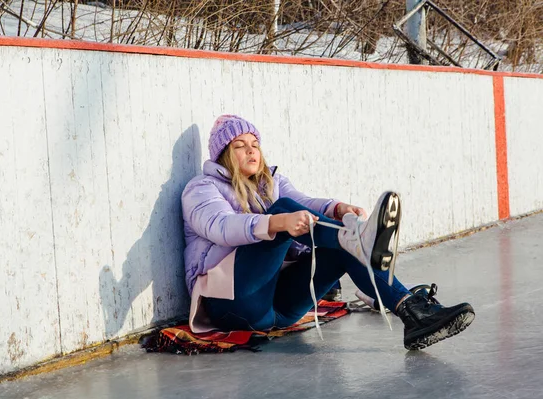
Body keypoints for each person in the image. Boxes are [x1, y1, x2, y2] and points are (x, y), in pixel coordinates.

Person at [181, 114, 475, 350]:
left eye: (255, 143)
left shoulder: (271, 182)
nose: (250, 150)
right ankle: (358, 239)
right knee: (283, 211)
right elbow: (222, 227)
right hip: (233, 304)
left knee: (339, 250)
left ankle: (413, 313)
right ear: (224, 155)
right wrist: (276, 223)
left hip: (279, 309)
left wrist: (336, 208)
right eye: (239, 145)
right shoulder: (201, 188)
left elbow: (305, 203)